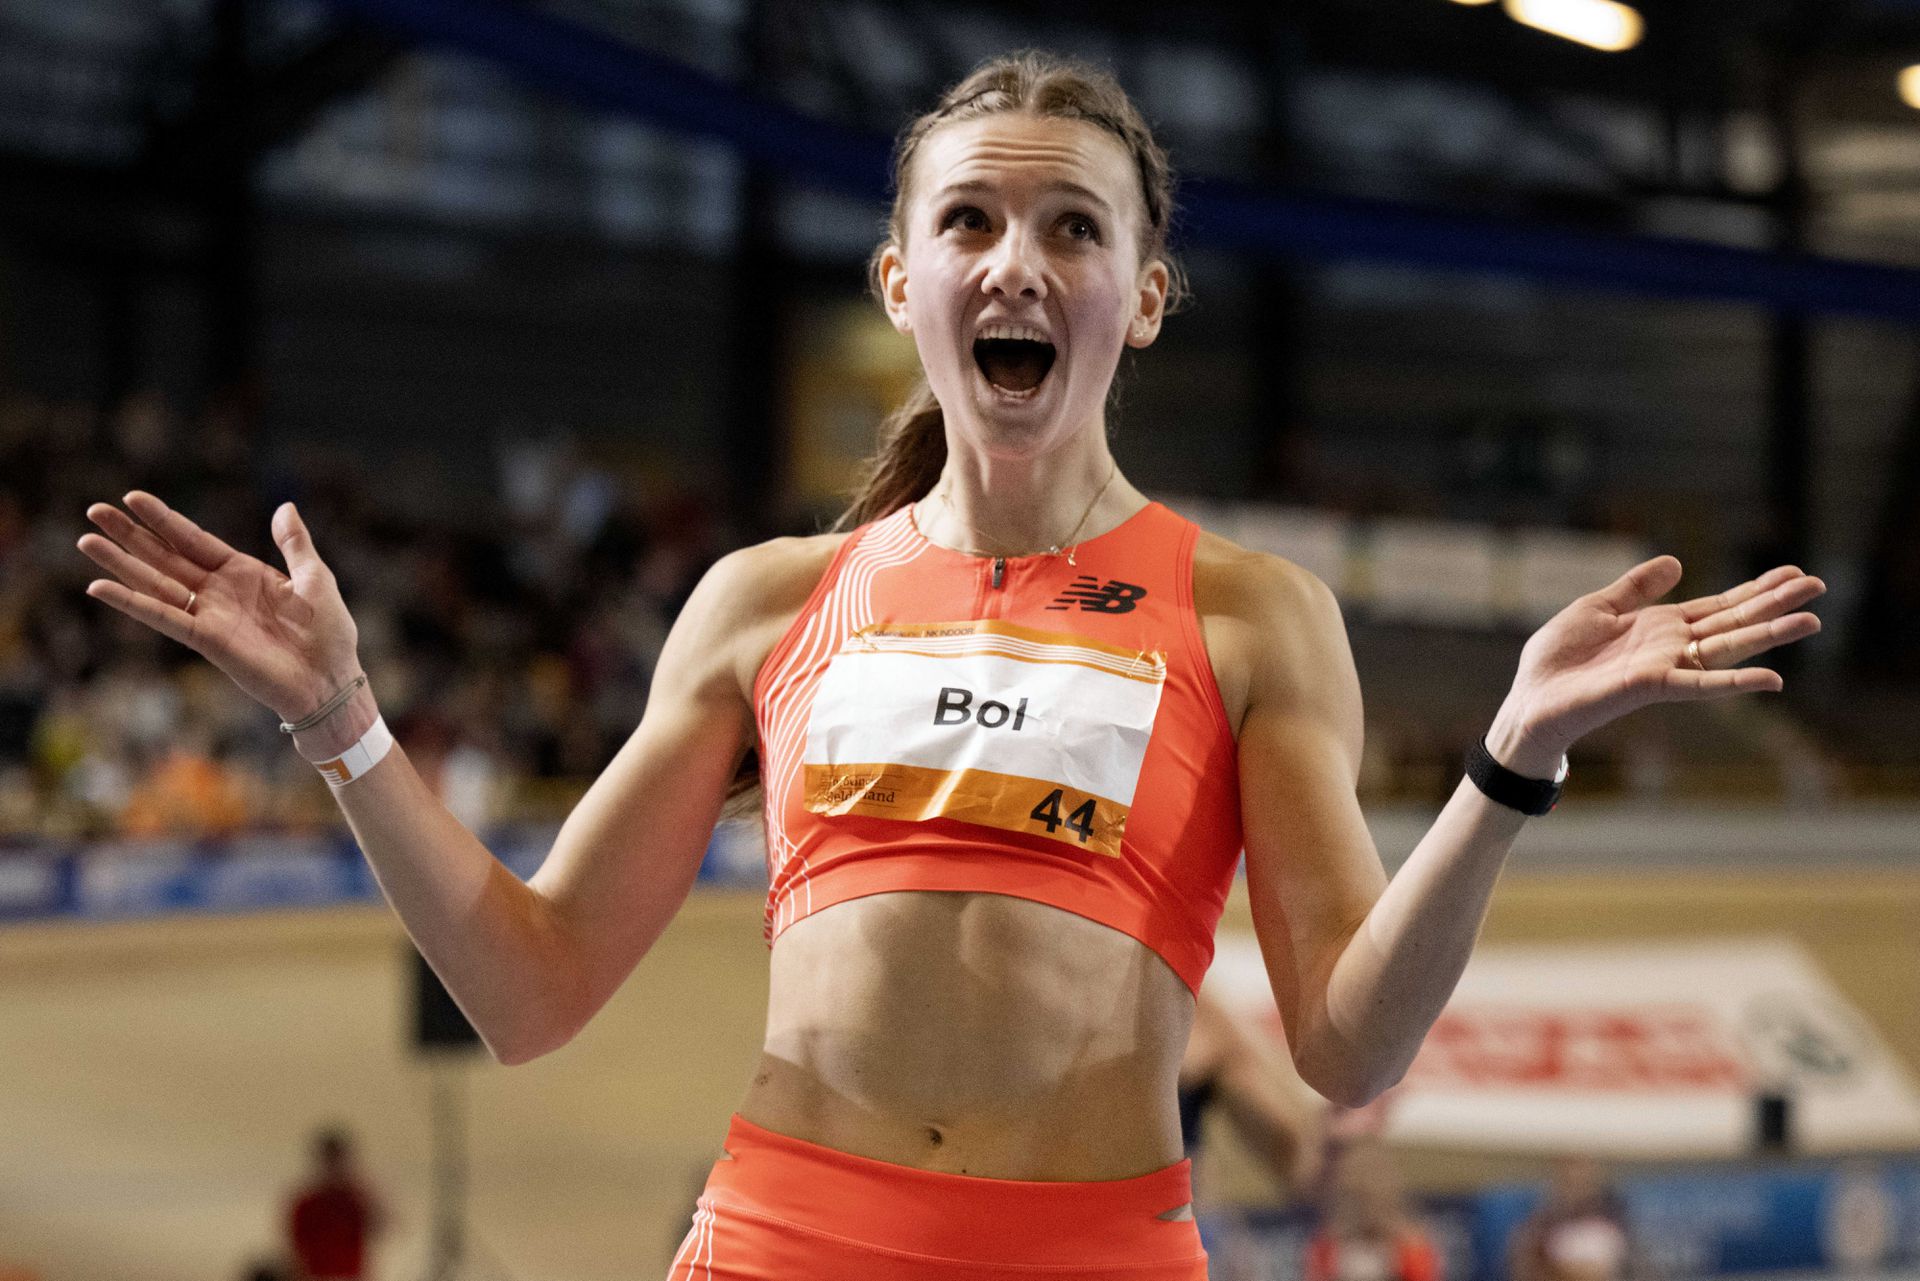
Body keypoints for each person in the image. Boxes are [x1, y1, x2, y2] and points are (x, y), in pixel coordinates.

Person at [75, 49, 1826, 1281]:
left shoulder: (1251, 616)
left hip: (1096, 1251)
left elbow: (1350, 1048)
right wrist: (344, 724)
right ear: (902, 276)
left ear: (1144, 297)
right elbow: (527, 993)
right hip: (780, 1240)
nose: (1022, 261)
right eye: (976, 225)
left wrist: (1510, 761)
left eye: (1076, 231)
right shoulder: (765, 601)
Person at [1305, 1138, 1442, 1281]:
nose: (1366, 1188)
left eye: (1373, 1180)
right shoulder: (1328, 1246)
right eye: (1358, 1181)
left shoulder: (1411, 1246)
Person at [1508, 1155, 1637, 1281]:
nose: (1575, 1173)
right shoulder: (1537, 1227)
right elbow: (1523, 1268)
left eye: (1581, 1164)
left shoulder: (1621, 1218)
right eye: (1569, 1164)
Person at [283, 1127, 386, 1281]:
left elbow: (380, 1227)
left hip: (351, 1275)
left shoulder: (357, 1200)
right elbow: (294, 1248)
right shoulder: (307, 1203)